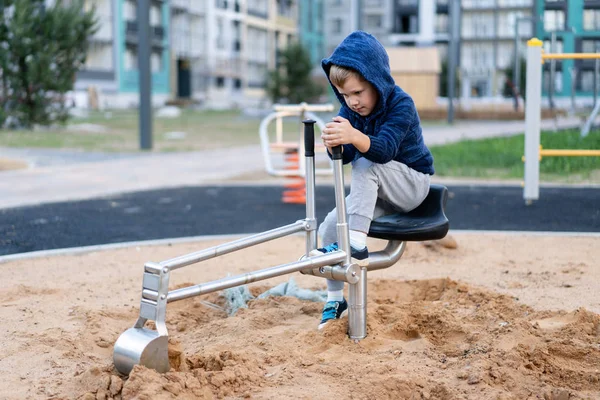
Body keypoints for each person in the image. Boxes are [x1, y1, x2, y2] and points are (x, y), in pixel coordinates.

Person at [314, 31, 435, 329]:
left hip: (412, 185)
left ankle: (356, 243)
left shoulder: (401, 104)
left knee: (369, 162)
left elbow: (383, 151)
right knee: (329, 226)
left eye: (358, 93)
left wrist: (354, 135)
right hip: (379, 191)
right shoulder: (351, 111)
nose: (352, 102)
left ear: (377, 82)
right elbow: (347, 157)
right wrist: (335, 146)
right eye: (345, 96)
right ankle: (334, 298)